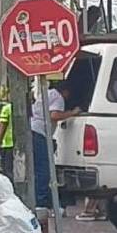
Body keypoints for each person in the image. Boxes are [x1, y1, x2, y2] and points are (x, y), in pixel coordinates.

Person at [30, 82, 80, 210]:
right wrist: (72, 113)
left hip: (33, 130)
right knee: (44, 169)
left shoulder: (45, 93)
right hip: (41, 133)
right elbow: (54, 115)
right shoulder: (58, 97)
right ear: (65, 91)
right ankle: (41, 202)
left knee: (35, 169)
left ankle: (35, 199)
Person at [0, 95, 14, 175]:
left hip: (7, 143)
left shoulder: (7, 108)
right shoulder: (26, 107)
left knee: (7, 170)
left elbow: (1, 128)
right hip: (21, 145)